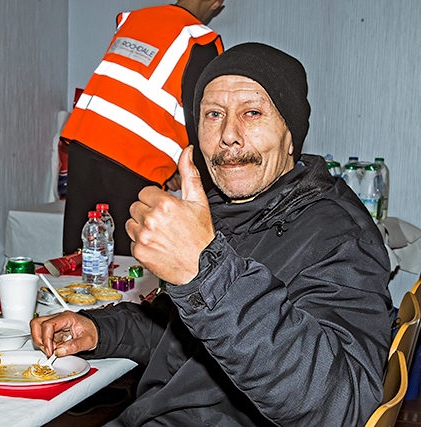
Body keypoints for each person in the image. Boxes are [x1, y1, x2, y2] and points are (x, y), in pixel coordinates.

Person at [31, 43, 394, 426]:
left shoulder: (336, 235)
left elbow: (343, 407)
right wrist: (98, 329)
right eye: (213, 115)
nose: (229, 136)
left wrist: (204, 272)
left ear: (292, 136)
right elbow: (177, 335)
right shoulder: (228, 210)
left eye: (252, 113)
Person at [61, 0, 225, 256]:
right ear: (217, 2)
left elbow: (134, 95)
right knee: (130, 262)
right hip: (133, 160)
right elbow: (200, 120)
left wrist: (170, 165)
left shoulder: (135, 19)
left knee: (81, 254)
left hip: (86, 142)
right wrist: (208, 187)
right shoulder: (200, 39)